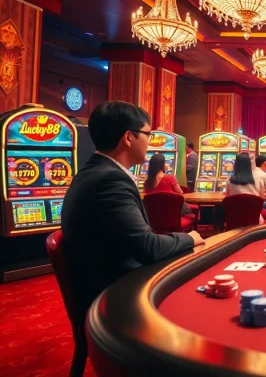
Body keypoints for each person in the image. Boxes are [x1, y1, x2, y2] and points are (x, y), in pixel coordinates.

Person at [61, 101, 204, 334]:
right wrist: (190, 238)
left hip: (105, 280)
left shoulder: (95, 171)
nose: (150, 142)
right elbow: (146, 247)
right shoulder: (110, 181)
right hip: (114, 297)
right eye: (148, 134)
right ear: (129, 138)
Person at [224, 153, 266, 224]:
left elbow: (226, 196)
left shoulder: (230, 179)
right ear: (249, 165)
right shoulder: (257, 178)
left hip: (234, 219)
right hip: (254, 219)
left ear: (235, 165)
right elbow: (262, 199)